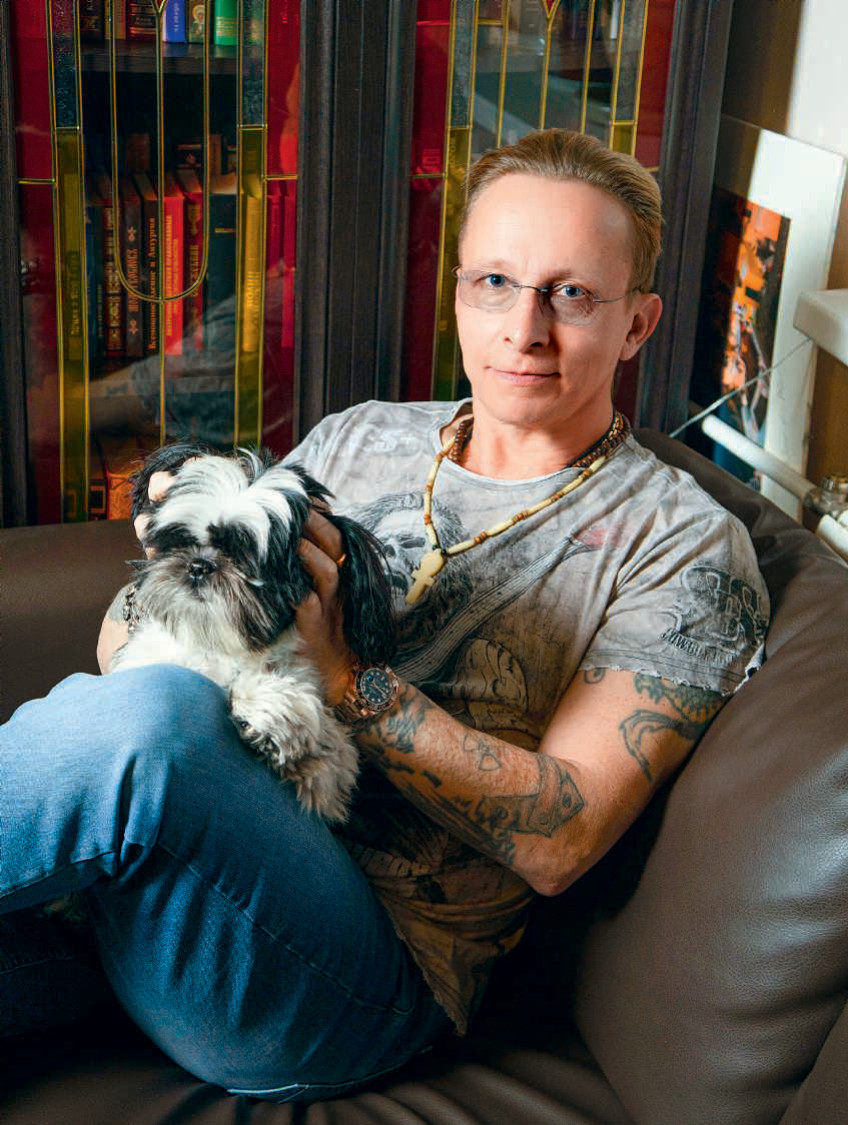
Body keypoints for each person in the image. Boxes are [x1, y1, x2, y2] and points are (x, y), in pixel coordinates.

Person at [0, 129, 768, 1102]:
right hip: (165, 877)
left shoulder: (680, 544)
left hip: (356, 974)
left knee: (154, 721)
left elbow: (561, 840)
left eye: (570, 294)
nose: (523, 328)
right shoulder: (362, 436)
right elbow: (126, 634)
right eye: (495, 283)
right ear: (458, 292)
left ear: (637, 324)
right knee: (146, 712)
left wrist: (343, 680)